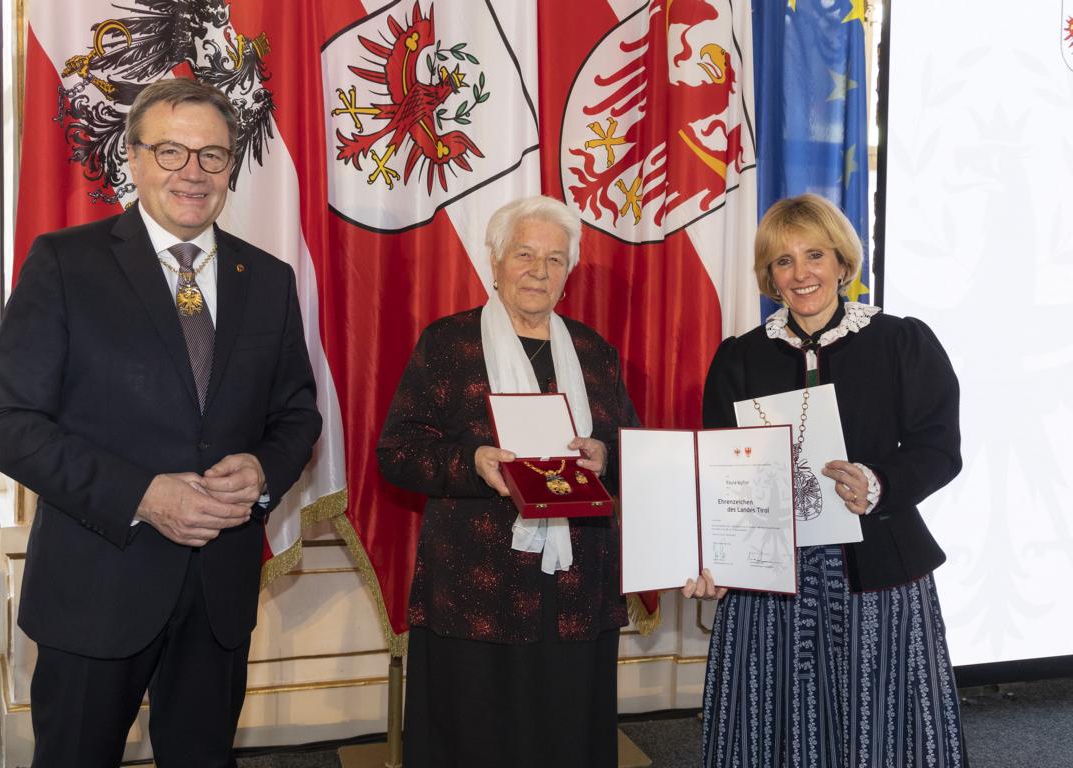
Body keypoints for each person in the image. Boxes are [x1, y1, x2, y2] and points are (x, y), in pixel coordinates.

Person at [0, 79, 322, 767]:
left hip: (218, 593)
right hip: (95, 588)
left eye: (212, 155)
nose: (193, 172)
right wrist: (143, 494)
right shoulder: (65, 263)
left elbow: (296, 413)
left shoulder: (268, 278)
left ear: (231, 165)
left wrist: (263, 470)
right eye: (170, 151)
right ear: (132, 158)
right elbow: (2, 423)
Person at [683, 192, 967, 766]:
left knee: (882, 720)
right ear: (770, 276)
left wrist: (878, 483)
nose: (801, 273)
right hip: (769, 576)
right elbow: (718, 470)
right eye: (783, 261)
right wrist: (714, 556)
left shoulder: (900, 341)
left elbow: (939, 448)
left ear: (842, 262)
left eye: (815, 254)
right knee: (768, 719)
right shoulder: (739, 357)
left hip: (877, 568)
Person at [377, 195, 638, 768]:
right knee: (473, 738)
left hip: (575, 592)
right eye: (524, 254)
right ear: (494, 262)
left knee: (567, 736)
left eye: (554, 259)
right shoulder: (448, 344)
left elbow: (632, 453)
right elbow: (398, 453)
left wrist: (606, 454)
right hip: (476, 591)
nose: (539, 271)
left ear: (568, 274)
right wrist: (473, 462)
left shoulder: (594, 353)